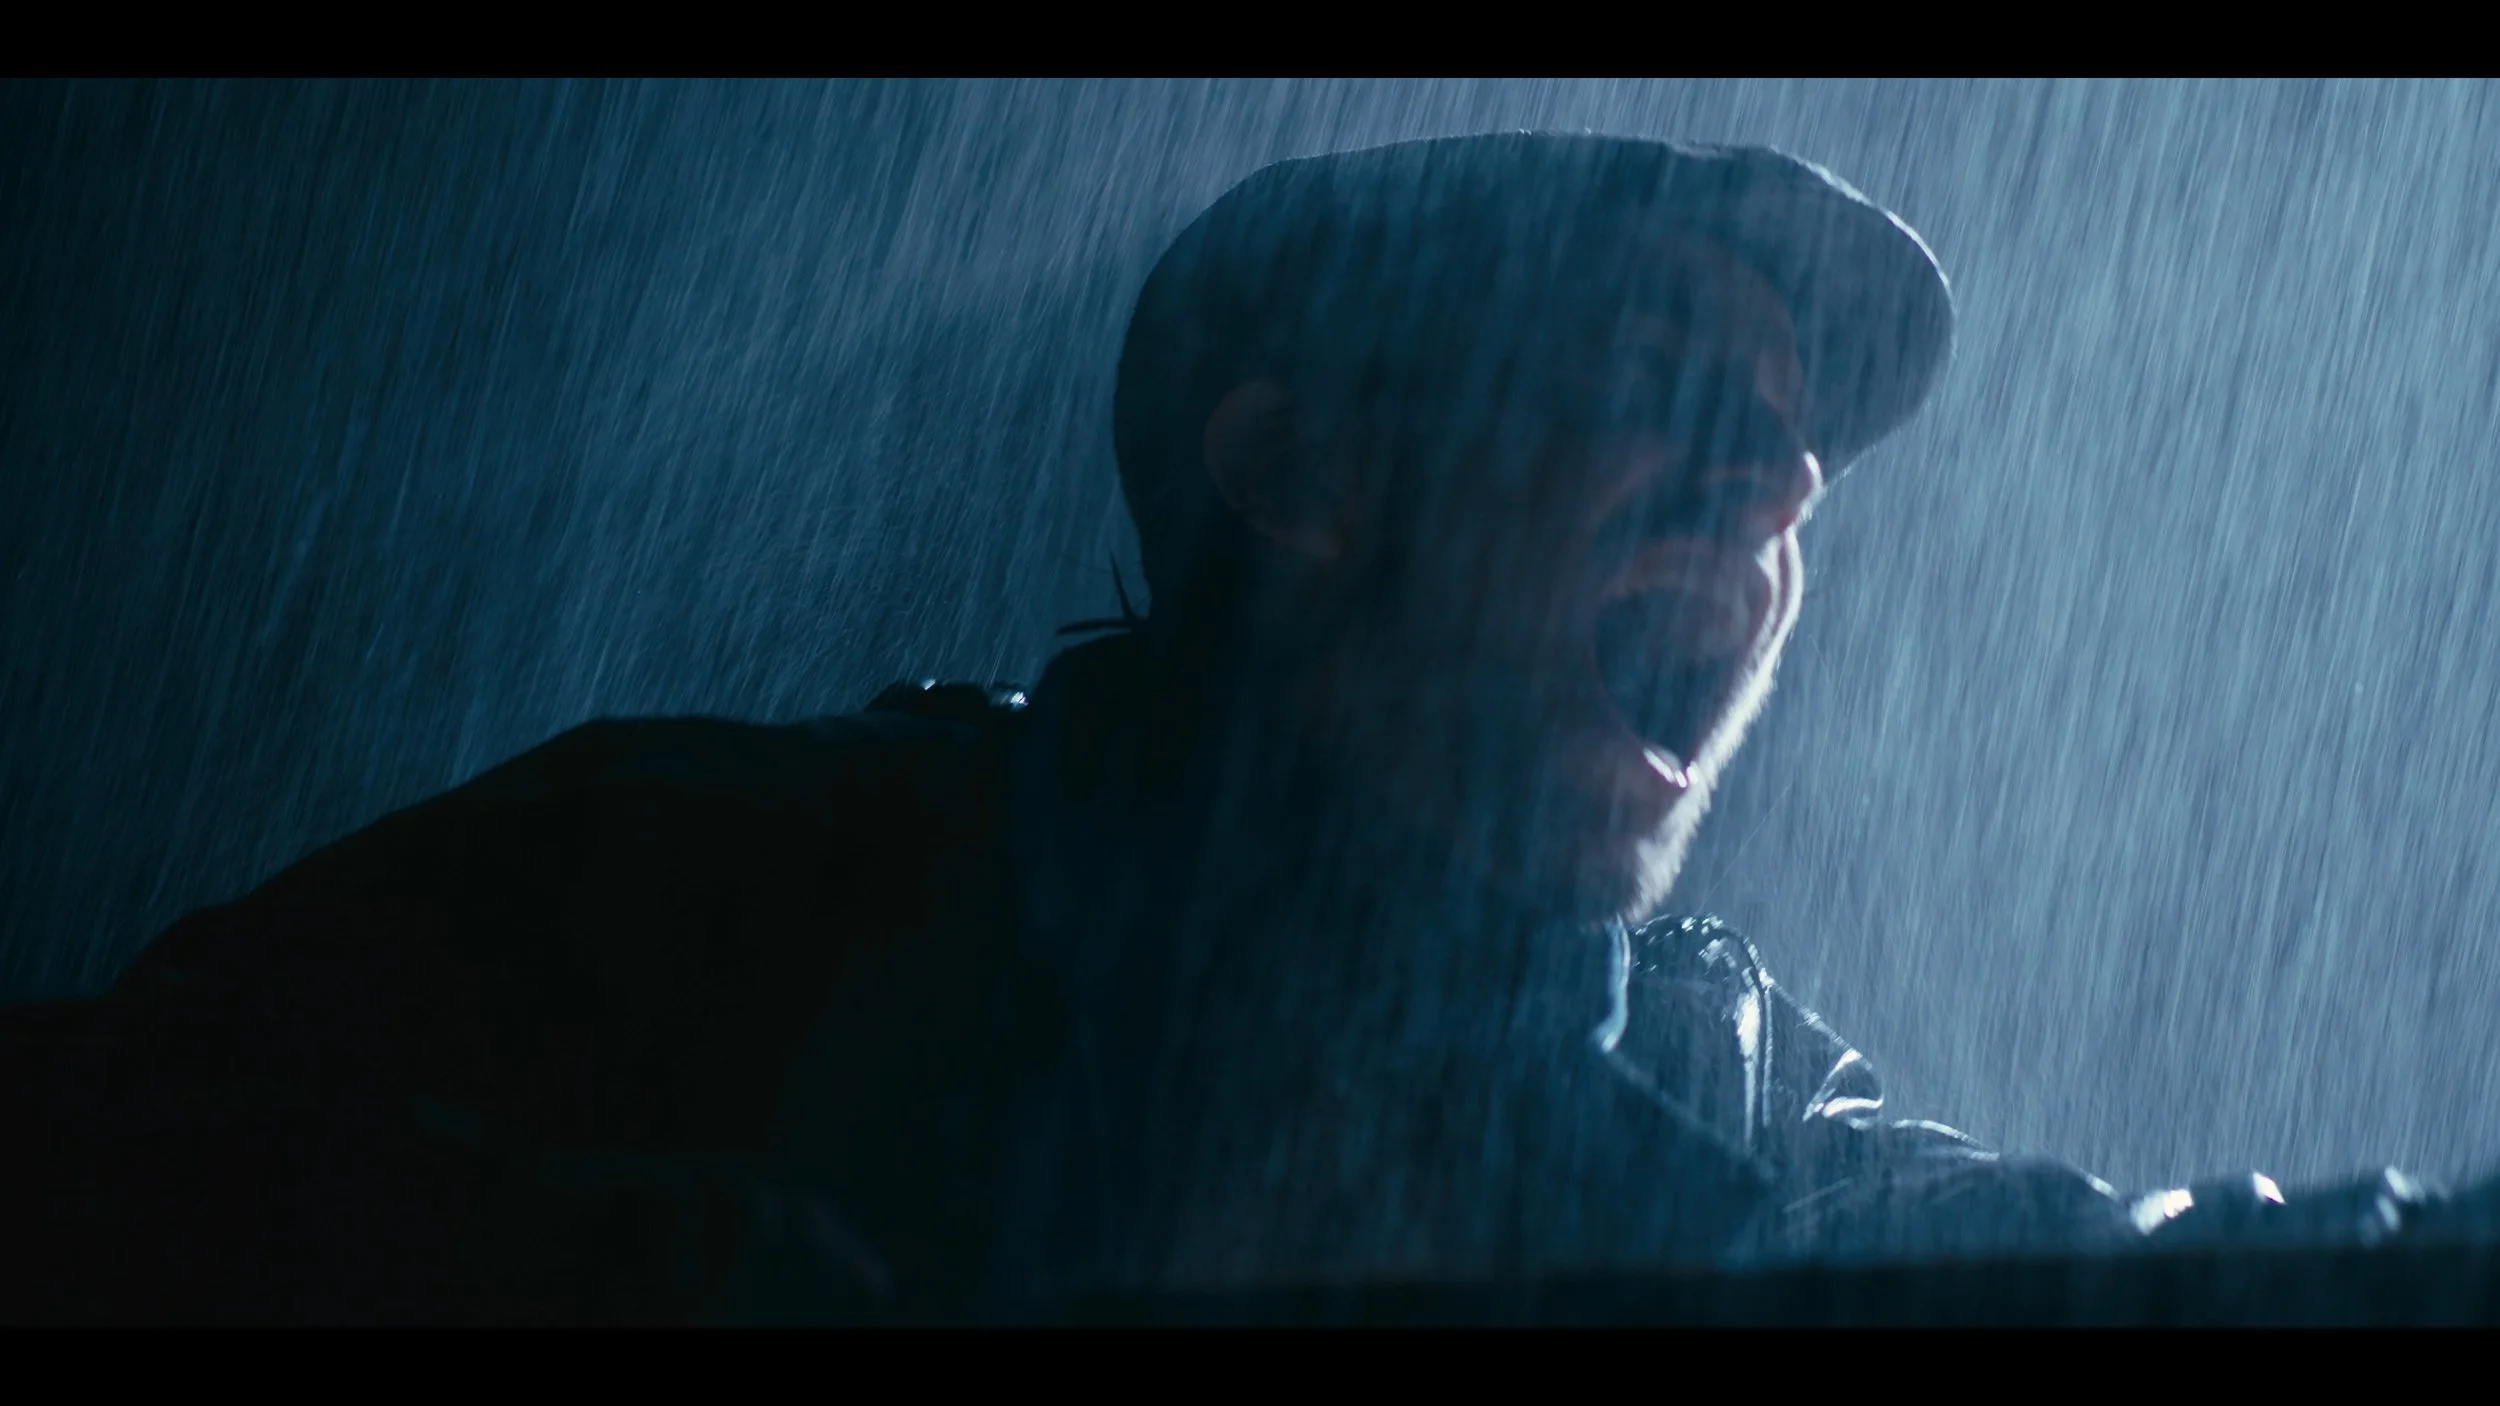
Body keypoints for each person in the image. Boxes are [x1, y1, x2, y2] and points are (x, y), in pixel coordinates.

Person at [0, 132, 2465, 1325]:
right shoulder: (695, 879)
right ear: (1297, 479)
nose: (1778, 487)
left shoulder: (1736, 1108)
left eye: (1793, 449)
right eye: (1653, 387)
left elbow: (2128, 1282)